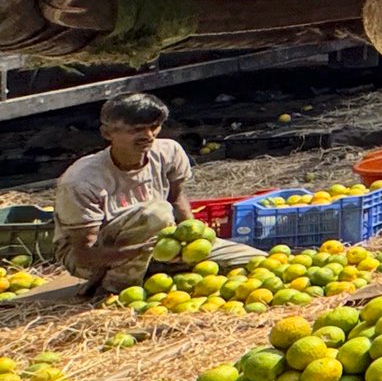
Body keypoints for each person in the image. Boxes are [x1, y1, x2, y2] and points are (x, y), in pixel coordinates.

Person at [53, 92, 259, 296]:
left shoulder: (168, 152)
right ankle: (114, 290)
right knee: (156, 213)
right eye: (136, 130)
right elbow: (83, 255)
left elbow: (177, 200)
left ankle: (153, 269)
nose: (148, 136)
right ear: (107, 134)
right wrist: (136, 253)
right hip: (98, 254)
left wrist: (193, 242)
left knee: (257, 263)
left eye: (154, 127)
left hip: (160, 243)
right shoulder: (81, 181)